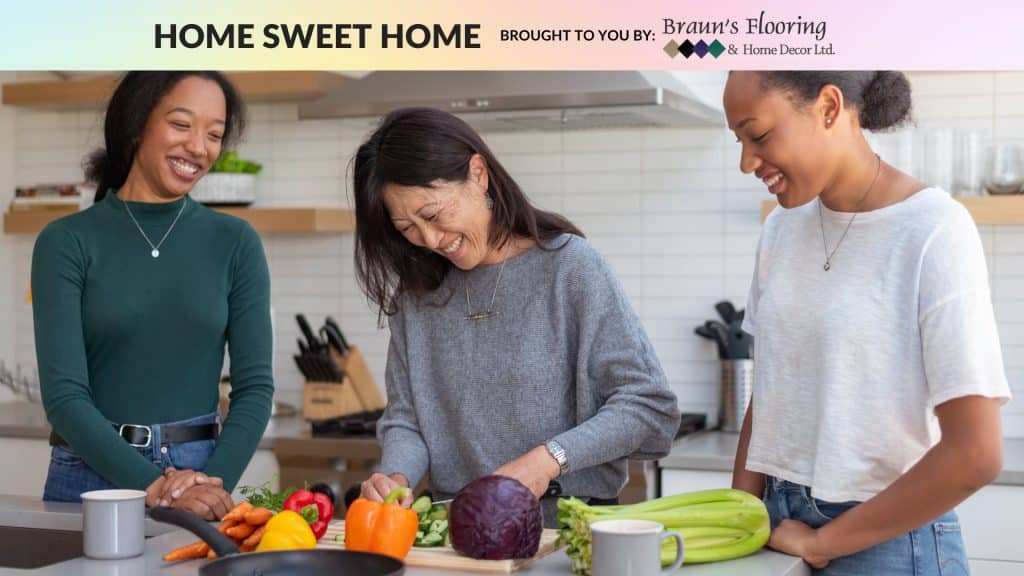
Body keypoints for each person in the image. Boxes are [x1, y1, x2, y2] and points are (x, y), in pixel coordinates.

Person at [724, 70, 1011, 574]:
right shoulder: (780, 230)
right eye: (739, 140)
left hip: (888, 541)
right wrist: (737, 520)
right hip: (777, 526)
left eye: (759, 135)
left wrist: (823, 544)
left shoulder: (934, 229)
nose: (746, 161)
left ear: (829, 108)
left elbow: (977, 453)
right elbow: (770, 394)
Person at [352, 107, 681, 526]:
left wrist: (548, 461)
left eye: (433, 215)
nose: (429, 240)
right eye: (407, 228)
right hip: (459, 534)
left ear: (478, 174)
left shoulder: (570, 269)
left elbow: (648, 406)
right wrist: (395, 475)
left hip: (566, 530)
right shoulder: (417, 297)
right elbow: (406, 420)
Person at [32, 71, 274, 520]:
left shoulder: (236, 242)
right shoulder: (66, 242)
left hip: (202, 472)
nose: (199, 147)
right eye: (181, 125)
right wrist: (157, 486)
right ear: (137, 123)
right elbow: (65, 397)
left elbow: (255, 389)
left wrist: (207, 486)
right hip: (90, 474)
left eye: (214, 134)